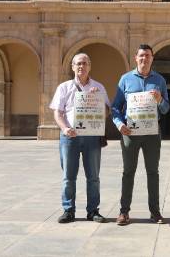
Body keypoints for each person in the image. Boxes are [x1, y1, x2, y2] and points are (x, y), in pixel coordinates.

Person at [112, 44, 170, 225]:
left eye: (148, 56)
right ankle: (124, 212)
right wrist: (119, 124)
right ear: (136, 58)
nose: (144, 58)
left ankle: (155, 212)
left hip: (152, 133)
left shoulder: (159, 80)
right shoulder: (125, 79)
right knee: (128, 172)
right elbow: (115, 107)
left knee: (153, 172)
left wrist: (160, 100)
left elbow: (166, 108)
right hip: (130, 133)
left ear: (152, 58)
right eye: (141, 56)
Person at [50, 53, 110, 223]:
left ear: (89, 66)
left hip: (92, 137)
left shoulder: (99, 87)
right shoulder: (64, 87)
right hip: (70, 137)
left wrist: (97, 99)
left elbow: (106, 112)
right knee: (68, 176)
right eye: (78, 64)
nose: (81, 67)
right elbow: (58, 112)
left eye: (84, 63)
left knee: (93, 177)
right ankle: (68, 211)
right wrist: (65, 128)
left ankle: (93, 211)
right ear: (72, 67)